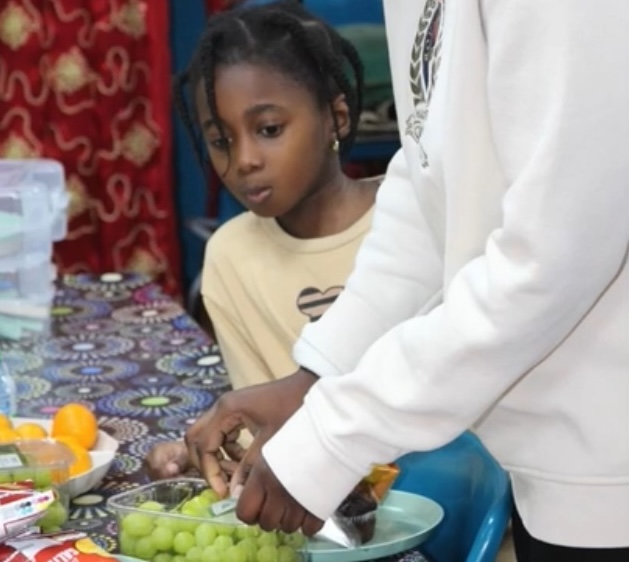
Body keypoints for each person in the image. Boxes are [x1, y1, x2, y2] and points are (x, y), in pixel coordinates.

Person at [183, 0, 629, 560]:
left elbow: (554, 256)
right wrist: (319, 375)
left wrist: (333, 435)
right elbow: (431, 186)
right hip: (559, 471)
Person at [145, 0, 381, 479]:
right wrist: (199, 457)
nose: (246, 159)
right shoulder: (230, 257)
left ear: (336, 117)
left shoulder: (410, 219)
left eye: (269, 129)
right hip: (328, 502)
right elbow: (266, 431)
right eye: (221, 141)